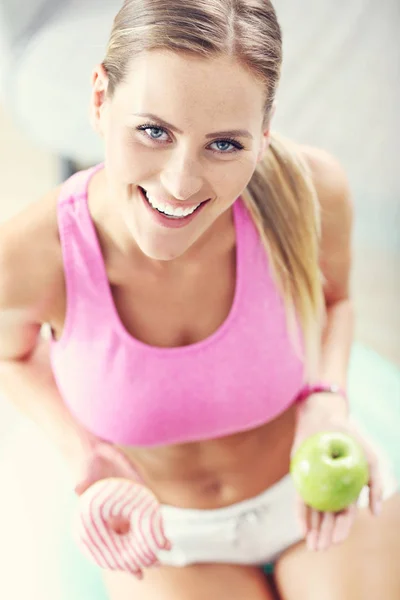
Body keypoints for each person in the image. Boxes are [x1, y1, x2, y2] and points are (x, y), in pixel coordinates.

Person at [0, 0, 399, 598]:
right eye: (154, 131)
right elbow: (11, 354)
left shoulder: (313, 190)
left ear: (262, 137)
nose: (182, 184)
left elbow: (336, 301)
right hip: (164, 537)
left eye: (224, 145)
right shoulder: (32, 254)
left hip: (308, 491)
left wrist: (326, 398)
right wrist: (82, 451)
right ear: (100, 100)